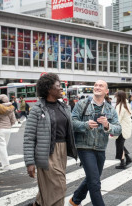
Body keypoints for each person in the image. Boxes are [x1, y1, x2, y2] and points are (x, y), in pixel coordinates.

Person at [23, 73, 77, 206]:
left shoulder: (64, 107)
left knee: (50, 187)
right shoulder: (37, 109)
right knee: (59, 186)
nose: (61, 89)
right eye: (58, 86)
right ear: (48, 89)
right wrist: (29, 162)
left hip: (62, 151)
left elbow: (71, 127)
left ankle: (37, 204)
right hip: (46, 152)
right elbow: (29, 137)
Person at [69, 80, 121, 206]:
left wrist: (107, 125)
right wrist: (85, 125)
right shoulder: (81, 104)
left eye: (101, 86)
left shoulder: (109, 108)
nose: (97, 87)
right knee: (95, 182)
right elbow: (71, 123)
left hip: (101, 147)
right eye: (96, 85)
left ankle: (75, 200)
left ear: (106, 91)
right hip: (84, 146)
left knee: (93, 178)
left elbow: (118, 129)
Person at [114, 90, 132, 169]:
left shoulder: (121, 106)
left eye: (116, 96)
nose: (115, 98)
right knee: (120, 144)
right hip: (125, 128)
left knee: (119, 145)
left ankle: (122, 163)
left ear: (119, 97)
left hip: (121, 128)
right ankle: (128, 159)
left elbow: (118, 118)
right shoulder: (126, 104)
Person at [0, 94, 16, 170]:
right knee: (3, 147)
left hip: (0, 129)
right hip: (8, 129)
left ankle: (6, 165)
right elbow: (13, 119)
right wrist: (9, 125)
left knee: (2, 147)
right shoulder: (10, 107)